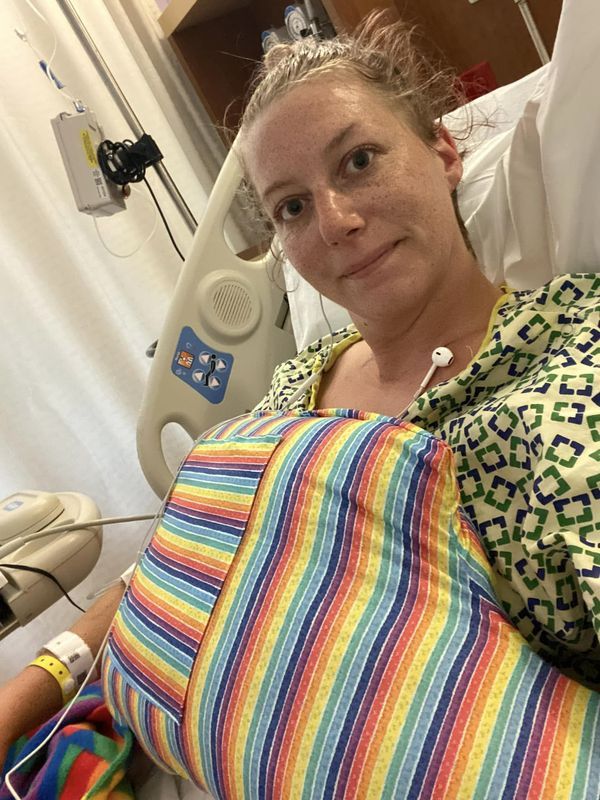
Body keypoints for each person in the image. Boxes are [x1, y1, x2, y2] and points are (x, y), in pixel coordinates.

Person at [2, 11, 599, 798]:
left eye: (358, 161)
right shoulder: (290, 392)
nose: (336, 223)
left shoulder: (571, 359)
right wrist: (30, 695)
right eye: (290, 207)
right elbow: (175, 569)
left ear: (444, 151)